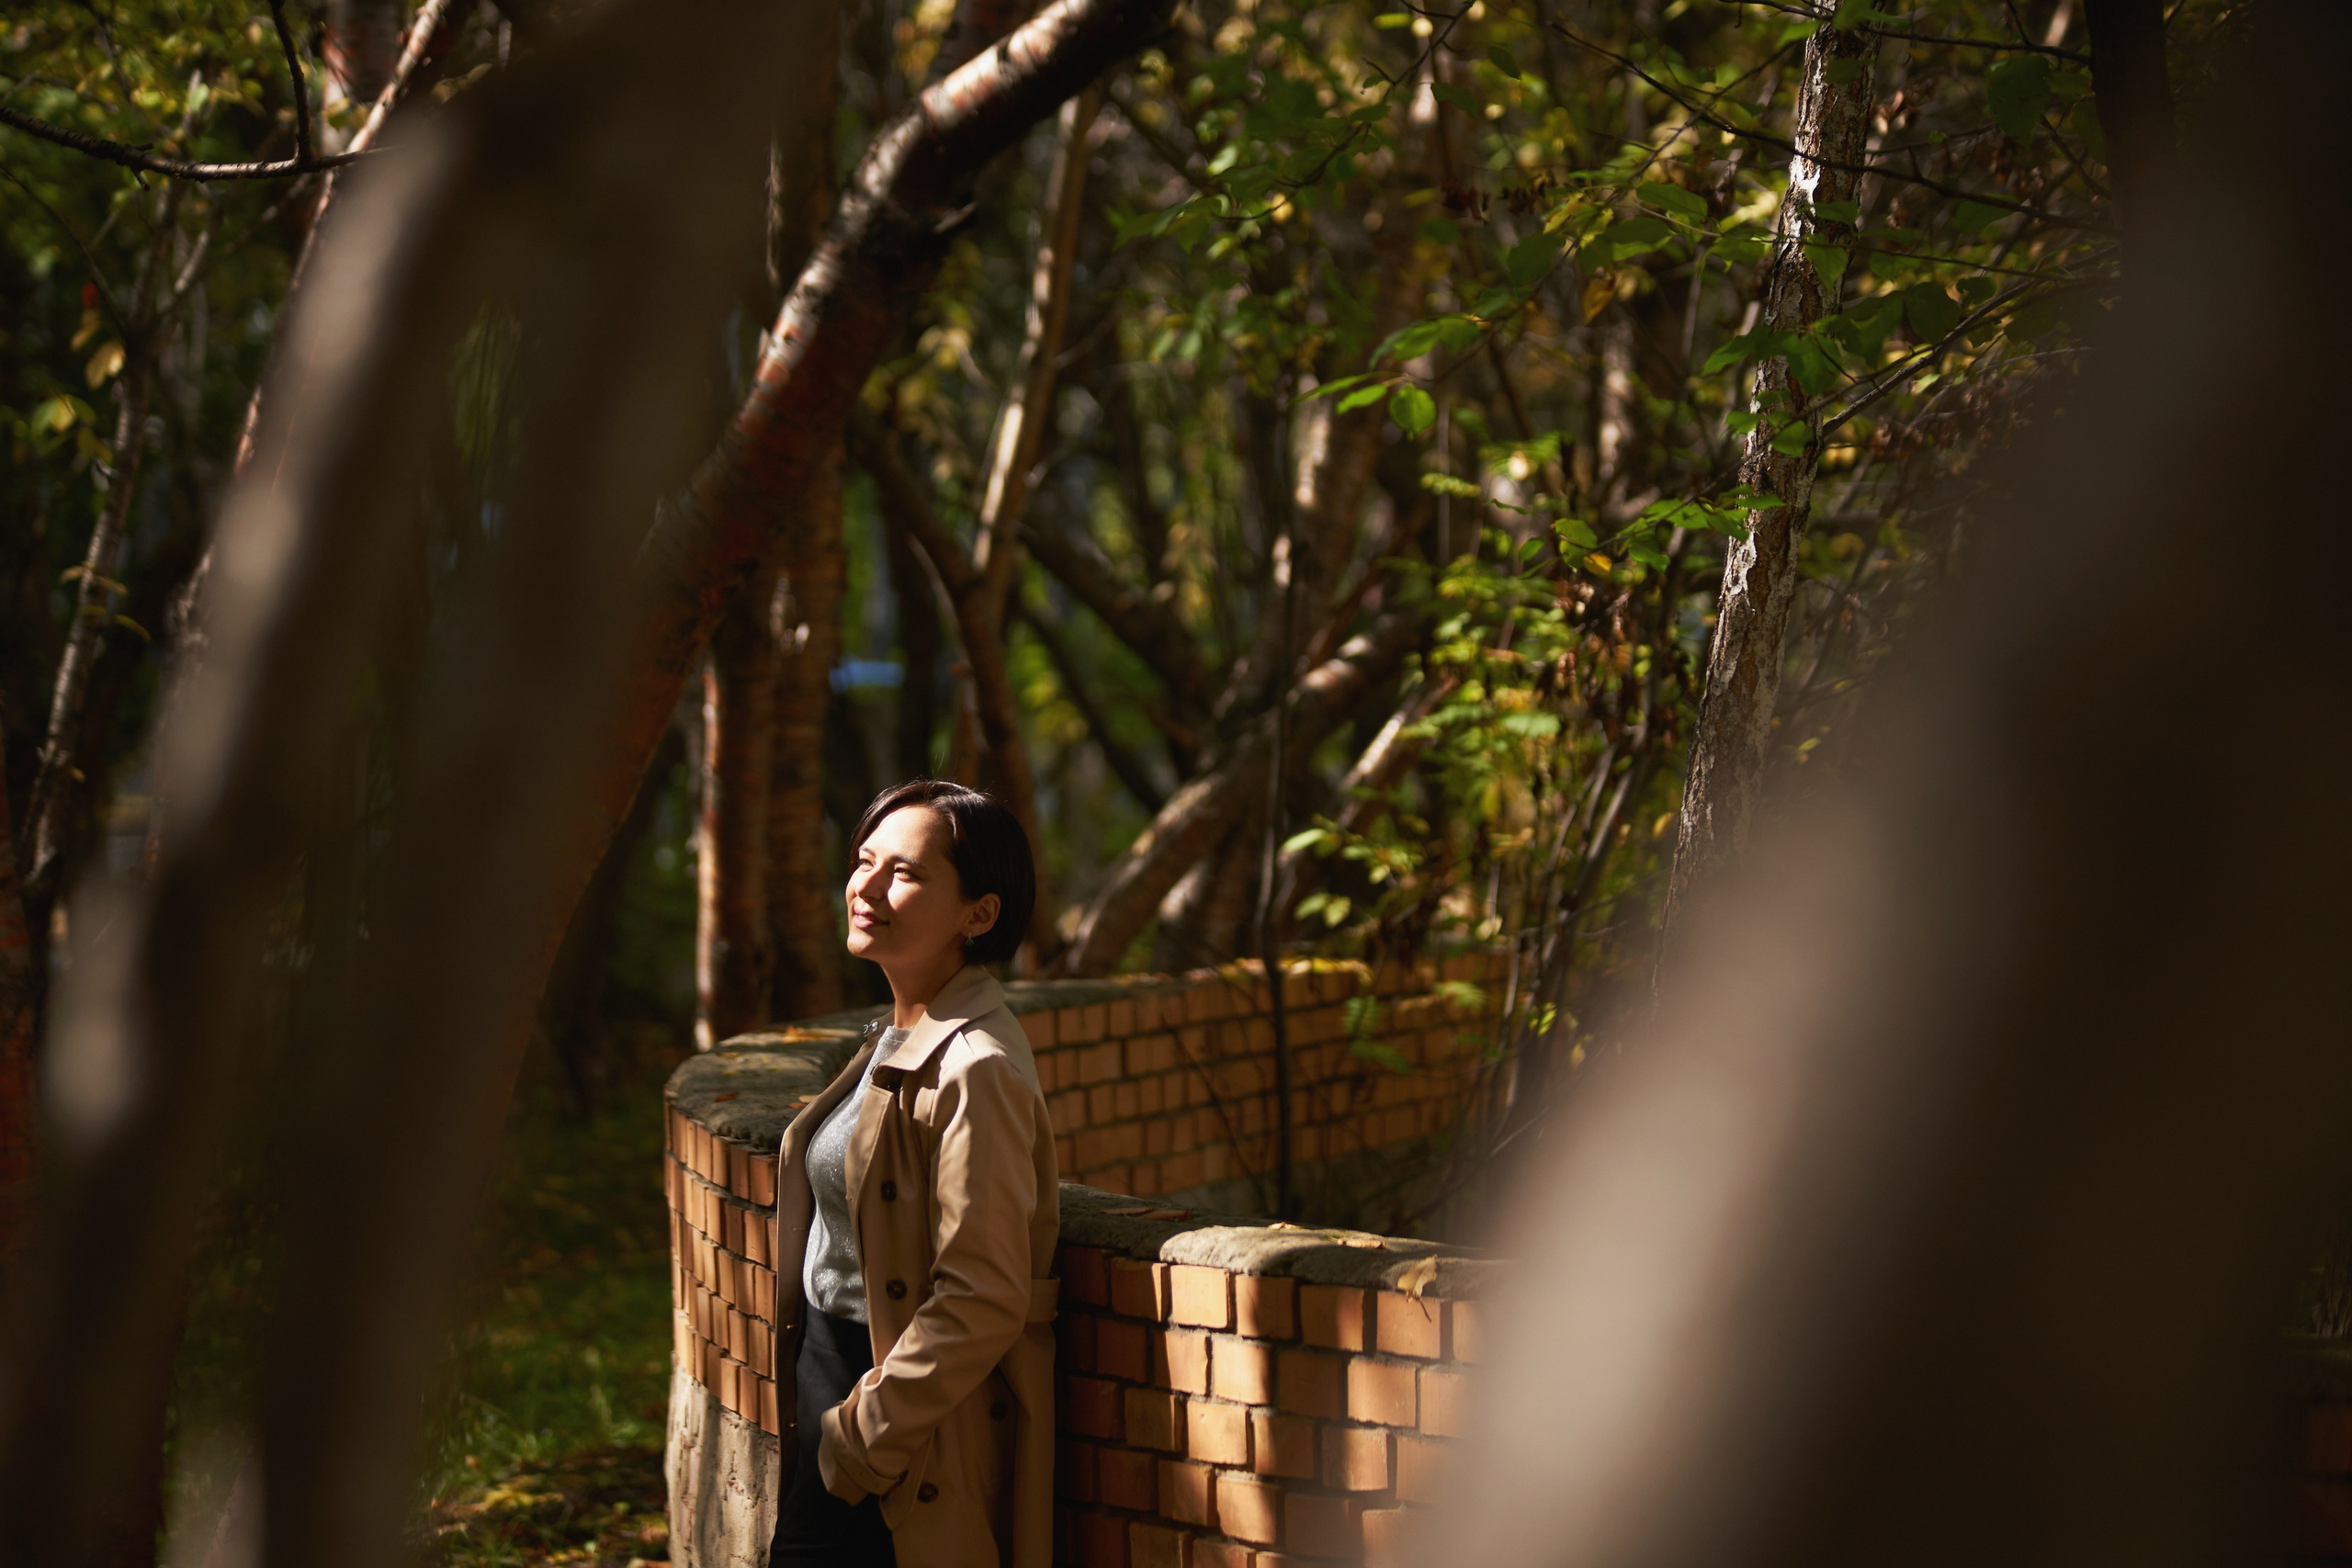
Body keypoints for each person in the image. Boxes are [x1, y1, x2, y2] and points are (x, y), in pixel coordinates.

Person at [767, 780, 1058, 1568]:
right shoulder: (899, 1033)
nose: (865, 885)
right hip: (837, 1383)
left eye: (905, 872)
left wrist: (862, 1438)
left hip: (898, 1424)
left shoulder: (977, 1067)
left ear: (980, 914)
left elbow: (984, 1290)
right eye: (864, 860)